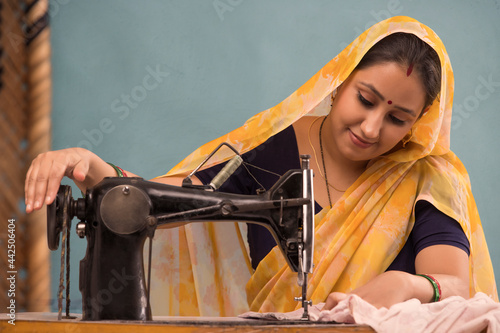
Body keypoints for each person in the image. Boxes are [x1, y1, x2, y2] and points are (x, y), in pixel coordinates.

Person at [25, 16, 497, 316]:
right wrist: (90, 168)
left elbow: (455, 283)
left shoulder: (425, 176)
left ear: (417, 125)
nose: (372, 128)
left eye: (397, 119)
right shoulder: (273, 148)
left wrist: (407, 283)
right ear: (339, 82)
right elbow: (163, 197)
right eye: (365, 99)